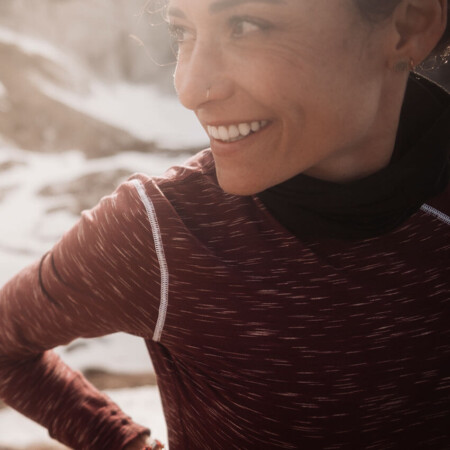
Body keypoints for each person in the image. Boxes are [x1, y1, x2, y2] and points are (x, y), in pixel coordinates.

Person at [0, 0, 449, 448]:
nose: (189, 90)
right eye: (181, 32)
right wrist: (122, 441)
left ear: (409, 26)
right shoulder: (164, 230)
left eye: (245, 26)